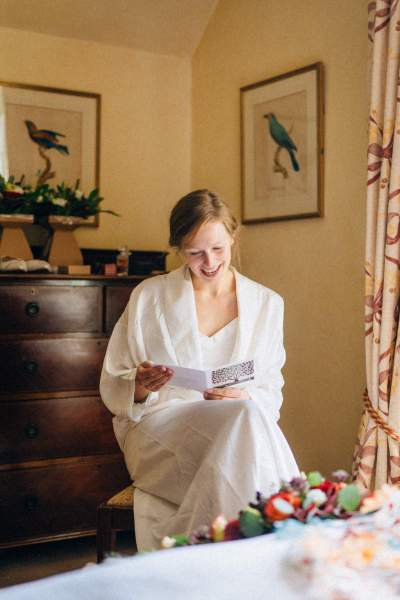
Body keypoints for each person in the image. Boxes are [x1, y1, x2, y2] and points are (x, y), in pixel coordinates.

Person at [100, 189, 299, 550]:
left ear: (233, 238)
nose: (209, 262)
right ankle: (276, 541)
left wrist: (245, 394)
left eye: (218, 249)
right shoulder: (149, 296)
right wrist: (142, 385)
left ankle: (236, 557)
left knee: (246, 413)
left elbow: (271, 386)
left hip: (238, 424)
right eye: (195, 252)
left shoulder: (268, 304)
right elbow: (116, 380)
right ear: (178, 248)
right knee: (246, 423)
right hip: (159, 429)